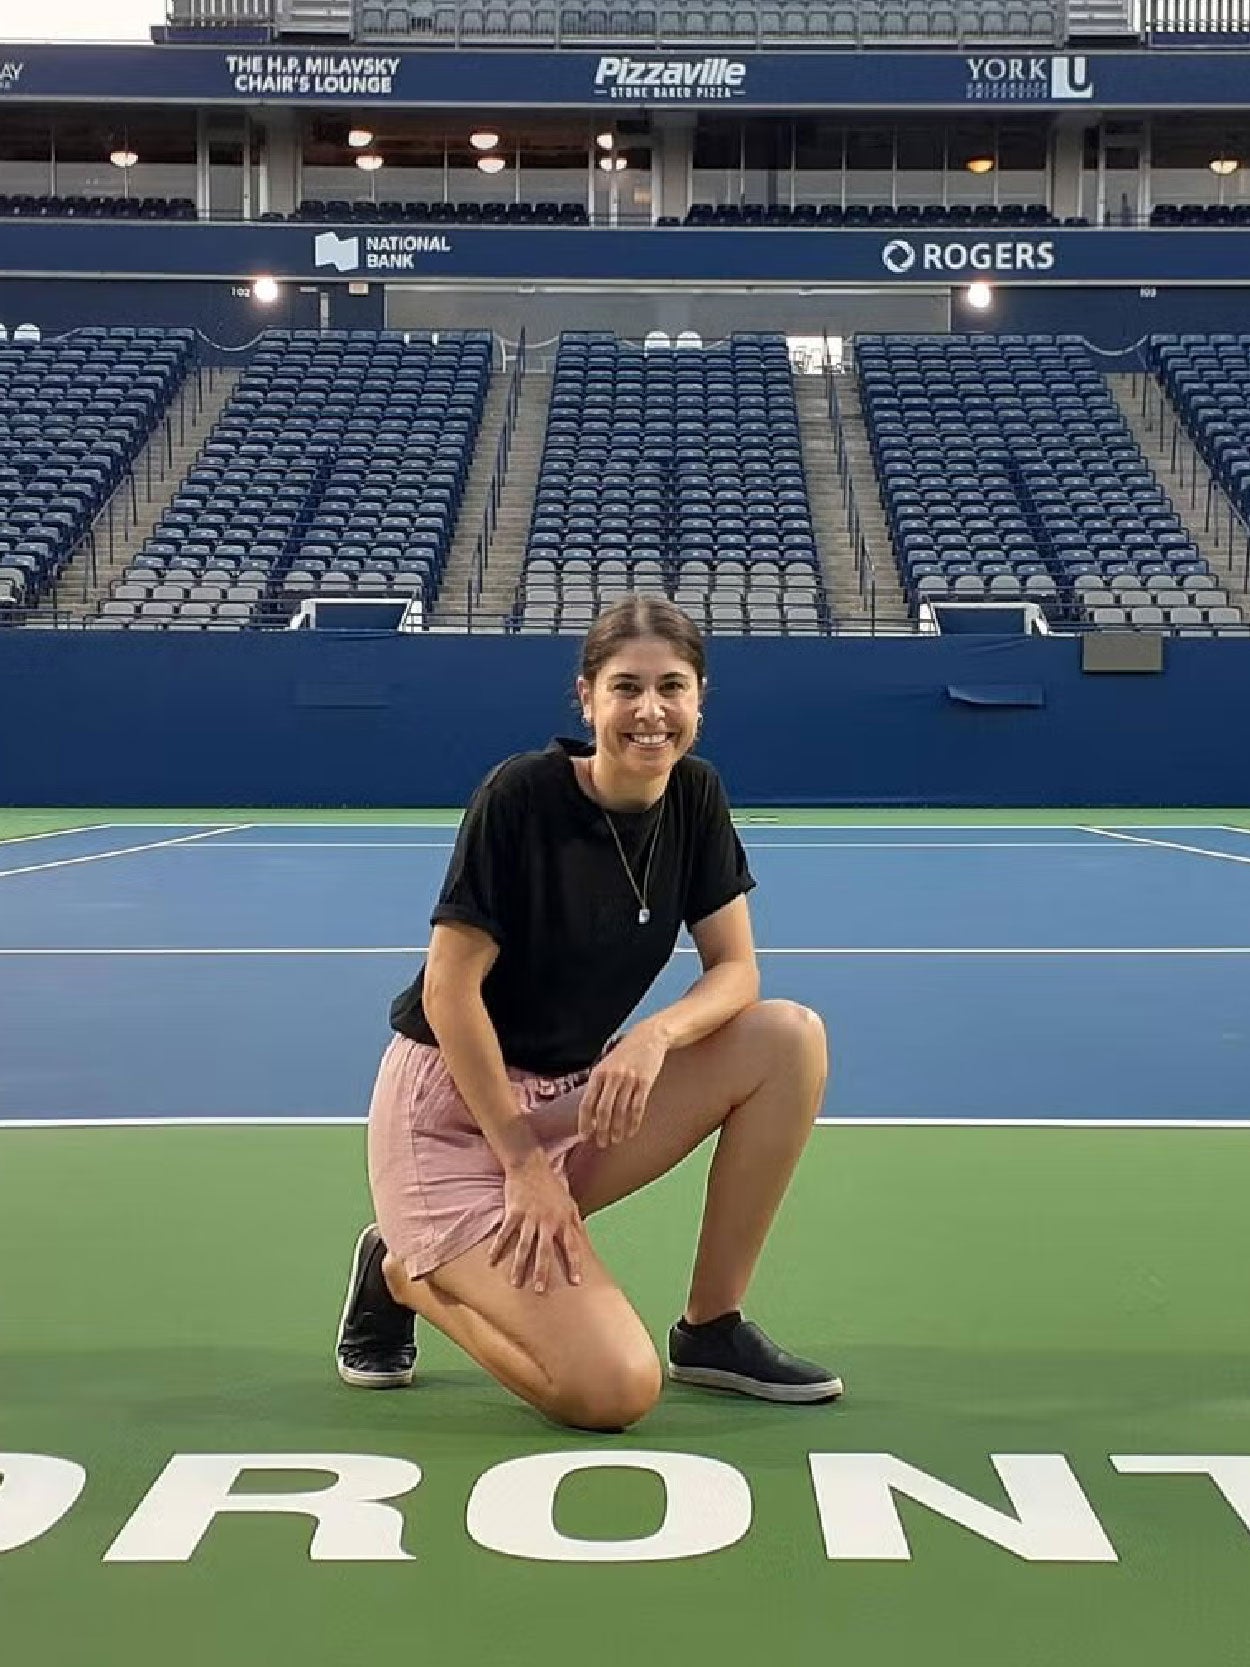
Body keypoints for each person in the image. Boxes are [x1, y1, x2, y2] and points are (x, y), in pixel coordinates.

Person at [333, 596, 841, 1431]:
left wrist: (653, 1035)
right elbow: (447, 992)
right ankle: (403, 1272)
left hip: (576, 1097)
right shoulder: (521, 795)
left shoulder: (696, 795)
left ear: (700, 699)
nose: (650, 711)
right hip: (461, 1116)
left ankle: (712, 1327)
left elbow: (737, 971)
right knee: (612, 1390)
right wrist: (523, 1165)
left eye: (672, 687)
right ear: (587, 698)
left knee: (787, 1038)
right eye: (626, 687)